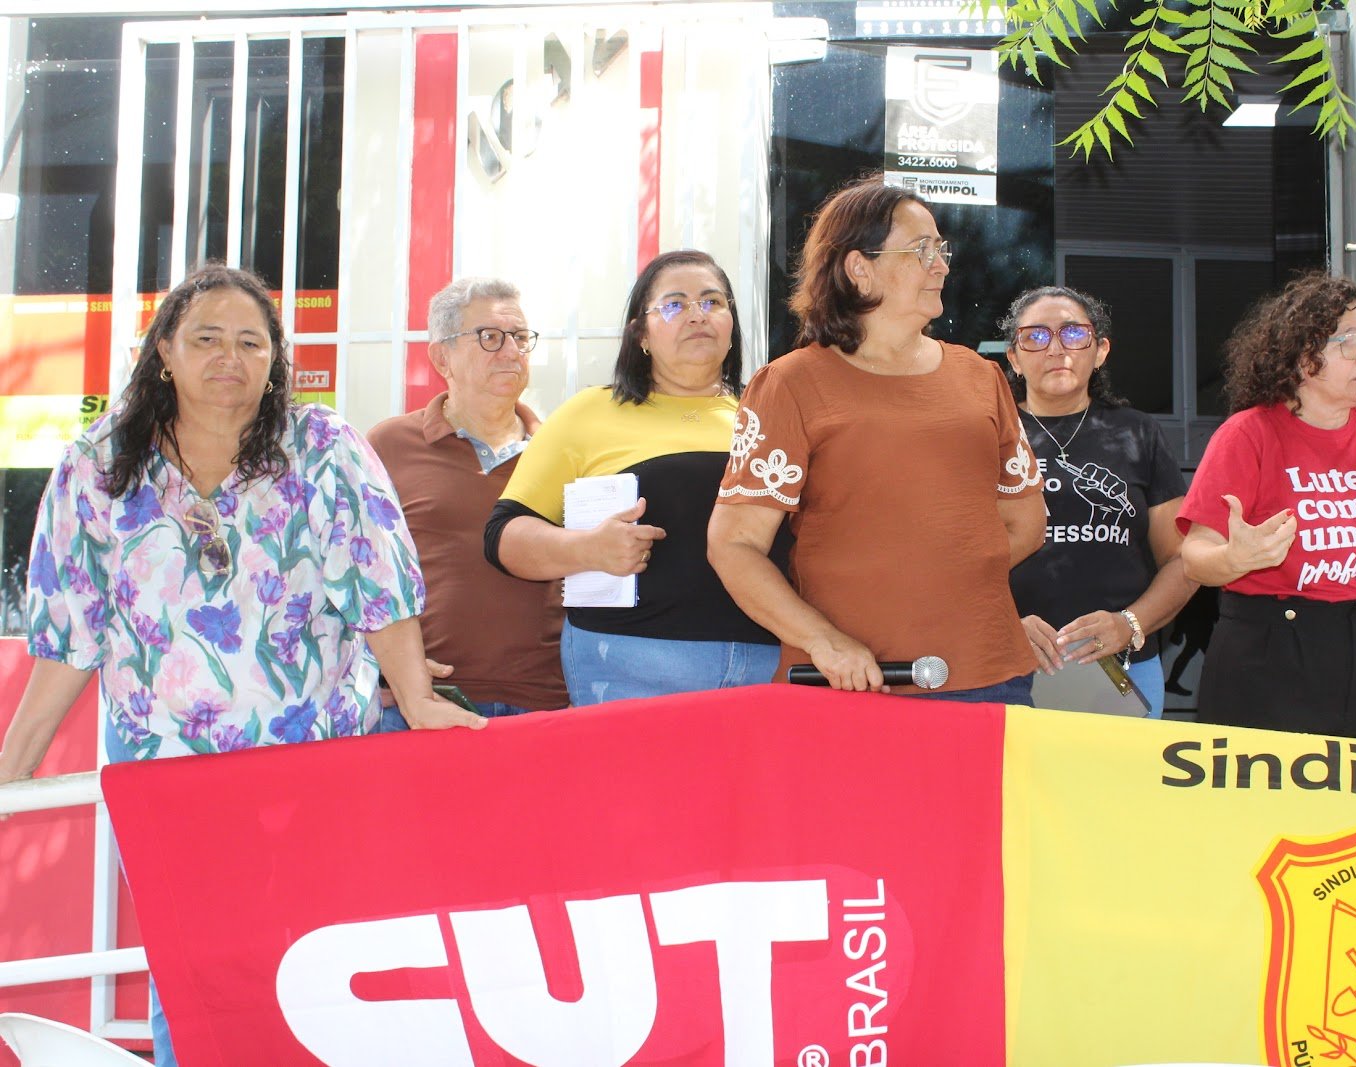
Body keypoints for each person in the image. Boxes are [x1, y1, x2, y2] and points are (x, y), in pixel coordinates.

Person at [0, 263, 483, 1066]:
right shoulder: (99, 465)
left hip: (313, 768)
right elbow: (70, 634)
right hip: (167, 779)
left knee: (314, 961)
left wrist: (415, 694)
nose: (230, 357)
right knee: (191, 973)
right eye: (207, 338)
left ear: (275, 357)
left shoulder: (320, 447)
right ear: (164, 351)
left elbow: (378, 582)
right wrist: (12, 770)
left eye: (251, 343)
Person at [707, 175, 1045, 701]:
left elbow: (1026, 523)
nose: (942, 265)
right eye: (921, 250)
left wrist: (938, 580)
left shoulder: (982, 377)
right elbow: (734, 544)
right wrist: (824, 641)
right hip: (848, 685)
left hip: (990, 675)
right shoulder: (790, 384)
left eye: (941, 249)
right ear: (859, 269)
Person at [485, 250, 781, 704]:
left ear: (731, 324)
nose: (697, 315)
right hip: (628, 666)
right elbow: (502, 537)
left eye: (712, 301)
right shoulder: (590, 412)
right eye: (675, 304)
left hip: (769, 665)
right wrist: (587, 549)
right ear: (640, 333)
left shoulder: (770, 417)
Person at [1177, 271, 1356, 740]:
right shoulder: (1249, 434)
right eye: (1350, 341)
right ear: (1303, 355)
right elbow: (1194, 556)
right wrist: (1233, 558)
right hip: (1267, 647)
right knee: (1262, 789)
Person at [366, 277, 567, 726]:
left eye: (520, 337)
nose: (512, 352)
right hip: (421, 704)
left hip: (546, 704)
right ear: (442, 356)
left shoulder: (564, 449)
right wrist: (377, 667)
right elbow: (351, 570)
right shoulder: (387, 445)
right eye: (490, 337)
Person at [1001, 285, 1196, 716]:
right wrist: (1003, 627)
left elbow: (1183, 560)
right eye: (1035, 336)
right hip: (1006, 667)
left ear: (1101, 350)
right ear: (1013, 357)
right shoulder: (988, 434)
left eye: (1074, 334)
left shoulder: (1138, 433)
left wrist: (1129, 624)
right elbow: (949, 560)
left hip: (1121, 671)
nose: (1056, 349)